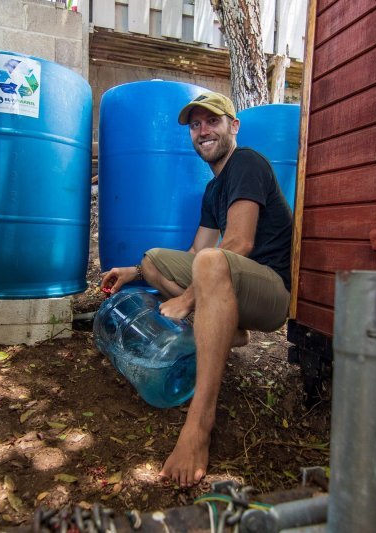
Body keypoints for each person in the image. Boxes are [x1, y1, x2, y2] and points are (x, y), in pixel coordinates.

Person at [100, 91, 292, 487]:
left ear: (233, 126)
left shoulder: (247, 162)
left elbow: (238, 244)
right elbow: (195, 252)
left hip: (271, 289)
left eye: (212, 121)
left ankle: (199, 426)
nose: (203, 131)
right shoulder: (213, 189)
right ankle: (227, 329)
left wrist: (187, 300)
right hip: (230, 280)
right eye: (195, 125)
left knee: (210, 263)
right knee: (153, 258)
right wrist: (135, 271)